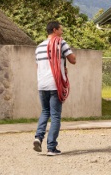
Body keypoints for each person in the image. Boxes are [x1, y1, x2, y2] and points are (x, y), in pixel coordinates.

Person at [33, 21, 76, 156]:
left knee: (45, 112)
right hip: (55, 84)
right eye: (60, 29)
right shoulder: (61, 43)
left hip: (42, 85)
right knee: (55, 116)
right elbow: (73, 60)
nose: (62, 32)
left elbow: (38, 66)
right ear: (54, 29)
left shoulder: (39, 47)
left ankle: (38, 137)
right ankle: (51, 148)